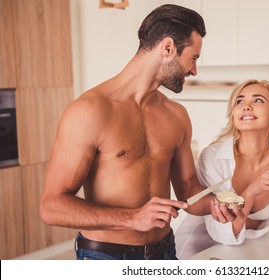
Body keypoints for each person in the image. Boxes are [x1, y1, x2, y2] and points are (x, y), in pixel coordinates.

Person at [40, 4, 213, 260]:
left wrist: (217, 203)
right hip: (106, 258)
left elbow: (188, 189)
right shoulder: (89, 112)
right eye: (194, 58)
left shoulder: (176, 115)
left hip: (165, 252)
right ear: (167, 48)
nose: (194, 71)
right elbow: (52, 206)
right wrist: (133, 218)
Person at [175, 79, 269, 259]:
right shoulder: (213, 157)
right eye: (239, 101)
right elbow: (223, 234)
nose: (246, 106)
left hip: (248, 253)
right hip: (201, 252)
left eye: (258, 100)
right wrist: (252, 191)